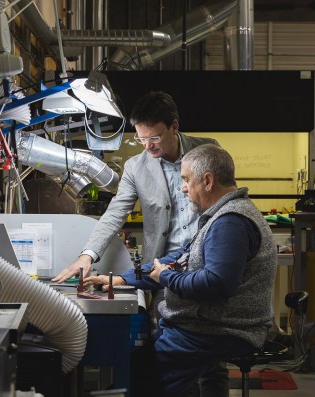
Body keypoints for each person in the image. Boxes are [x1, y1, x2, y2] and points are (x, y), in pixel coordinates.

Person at [52, 90, 226, 395]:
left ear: (174, 126)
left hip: (206, 266)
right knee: (169, 358)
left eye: (155, 137)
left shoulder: (208, 150)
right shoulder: (136, 167)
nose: (149, 146)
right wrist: (87, 255)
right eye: (142, 138)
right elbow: (114, 213)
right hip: (164, 273)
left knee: (212, 362)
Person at [84, 144, 278, 397]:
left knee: (132, 381)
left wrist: (165, 276)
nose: (183, 187)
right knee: (142, 371)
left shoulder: (231, 222)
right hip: (203, 327)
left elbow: (216, 283)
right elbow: (178, 258)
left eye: (186, 180)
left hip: (216, 330)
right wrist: (121, 279)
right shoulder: (220, 216)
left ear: (207, 181)